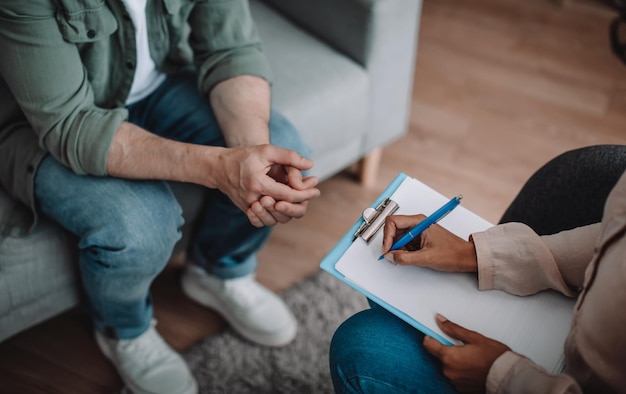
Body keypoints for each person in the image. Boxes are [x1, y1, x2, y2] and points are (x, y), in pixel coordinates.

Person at [0, 1, 320, 393]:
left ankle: (218, 269)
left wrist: (251, 157)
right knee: (142, 224)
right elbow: (70, 124)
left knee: (280, 147)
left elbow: (231, 49)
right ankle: (124, 330)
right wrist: (221, 167)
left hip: (157, 86)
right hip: (43, 128)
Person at [329, 144, 626, 393]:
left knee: (360, 346)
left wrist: (503, 377)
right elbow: (605, 244)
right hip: (571, 324)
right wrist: (471, 254)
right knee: (389, 293)